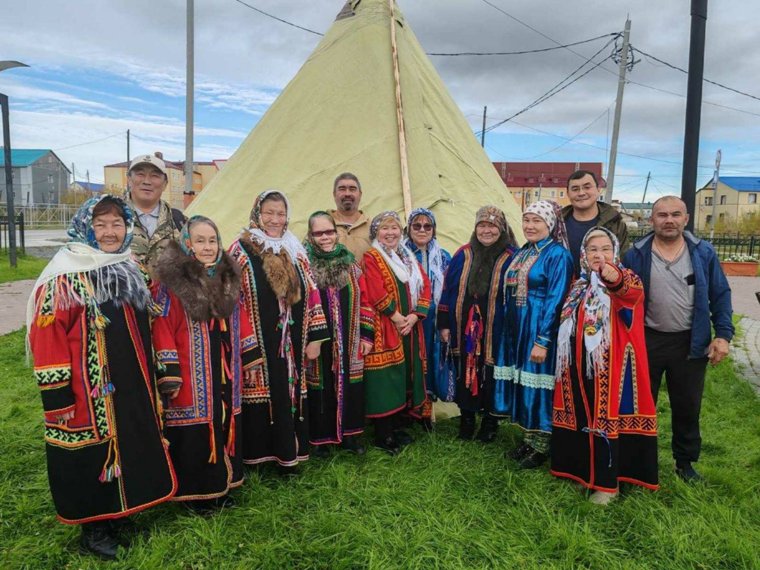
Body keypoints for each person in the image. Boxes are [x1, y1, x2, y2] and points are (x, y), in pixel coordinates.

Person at [27, 195, 176, 559]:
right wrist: (58, 395)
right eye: (101, 224)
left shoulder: (130, 268)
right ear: (85, 227)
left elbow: (152, 321)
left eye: (117, 224)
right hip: (85, 390)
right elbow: (47, 337)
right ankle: (94, 528)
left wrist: (162, 370)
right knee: (89, 453)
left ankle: (120, 509)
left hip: (130, 383)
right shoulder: (63, 277)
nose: (110, 232)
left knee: (126, 441)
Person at [623, 196, 733, 483]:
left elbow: (720, 294)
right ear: (652, 220)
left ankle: (685, 464)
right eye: (662, 215)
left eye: (675, 214)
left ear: (686, 219)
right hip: (647, 341)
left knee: (687, 406)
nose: (668, 220)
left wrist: (722, 335)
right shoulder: (635, 254)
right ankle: (636, 463)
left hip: (690, 342)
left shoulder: (702, 252)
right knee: (639, 404)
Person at [151, 216, 257, 508]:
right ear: (187, 243)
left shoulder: (228, 278)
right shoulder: (172, 283)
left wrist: (249, 358)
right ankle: (197, 493)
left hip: (224, 368)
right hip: (191, 370)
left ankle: (225, 483)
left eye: (212, 240)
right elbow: (162, 326)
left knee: (224, 420)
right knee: (197, 426)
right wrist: (169, 372)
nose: (208, 247)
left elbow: (242, 317)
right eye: (200, 240)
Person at [551, 227, 659, 505]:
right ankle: (582, 473)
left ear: (615, 251)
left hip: (611, 368)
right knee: (582, 416)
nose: (599, 255)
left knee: (604, 417)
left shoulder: (626, 277)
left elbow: (629, 293)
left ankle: (608, 485)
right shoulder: (579, 285)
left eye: (605, 249)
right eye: (592, 250)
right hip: (578, 367)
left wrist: (614, 277)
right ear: (583, 255)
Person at [227, 190, 329, 471]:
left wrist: (316, 337)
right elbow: (234, 302)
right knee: (263, 391)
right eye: (269, 212)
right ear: (257, 213)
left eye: (280, 213)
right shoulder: (241, 250)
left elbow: (313, 294)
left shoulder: (294, 248)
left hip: (294, 341)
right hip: (260, 341)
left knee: (291, 392)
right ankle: (260, 458)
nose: (275, 219)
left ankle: (290, 453)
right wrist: (248, 347)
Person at [494, 200, 573, 468]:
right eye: (527, 220)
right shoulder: (524, 251)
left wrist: (543, 340)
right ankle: (529, 439)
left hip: (540, 326)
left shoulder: (557, 255)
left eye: (536, 221)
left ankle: (543, 445)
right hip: (518, 328)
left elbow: (556, 300)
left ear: (549, 224)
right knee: (524, 384)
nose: (530, 226)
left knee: (540, 384)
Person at [438, 206, 518, 442]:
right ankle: (467, 419)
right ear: (475, 228)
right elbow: (447, 290)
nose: (486, 230)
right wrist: (444, 324)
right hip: (464, 328)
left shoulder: (511, 257)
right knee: (466, 371)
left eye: (492, 226)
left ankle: (490, 422)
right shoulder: (463, 254)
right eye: (482, 225)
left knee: (491, 374)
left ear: (501, 229)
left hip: (497, 329)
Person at [304, 212, 375, 457]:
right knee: (319, 385)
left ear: (336, 232)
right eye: (318, 233)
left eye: (329, 231)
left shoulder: (351, 265)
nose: (325, 237)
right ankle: (321, 439)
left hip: (349, 337)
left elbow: (365, 302)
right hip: (318, 339)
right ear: (311, 235)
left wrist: (366, 336)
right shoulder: (304, 266)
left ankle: (351, 436)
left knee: (352, 383)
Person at [362, 211, 432, 454]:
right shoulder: (372, 257)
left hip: (408, 328)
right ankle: (383, 434)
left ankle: (397, 426)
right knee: (386, 380)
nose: (390, 233)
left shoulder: (406, 256)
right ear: (376, 233)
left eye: (394, 228)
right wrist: (397, 316)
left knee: (403, 377)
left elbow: (425, 285)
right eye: (384, 228)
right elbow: (374, 290)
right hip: (386, 327)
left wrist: (414, 317)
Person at [404, 208, 452, 421]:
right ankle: (406, 413)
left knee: (431, 362)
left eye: (427, 226)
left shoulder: (443, 257)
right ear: (408, 229)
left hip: (433, 323)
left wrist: (444, 323)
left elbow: (449, 292)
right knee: (410, 362)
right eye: (416, 226)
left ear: (434, 230)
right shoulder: (399, 255)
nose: (422, 230)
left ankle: (425, 414)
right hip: (409, 320)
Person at [562, 170, 628, 276]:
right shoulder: (557, 225)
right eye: (575, 189)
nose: (581, 193)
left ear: (598, 190)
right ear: (568, 193)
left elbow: (624, 262)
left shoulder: (615, 224)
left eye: (587, 187)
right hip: (560, 290)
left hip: (605, 288)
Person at [126, 152, 186, 271]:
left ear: (165, 184)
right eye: (140, 174)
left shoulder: (180, 222)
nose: (147, 181)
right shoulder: (109, 217)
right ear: (129, 180)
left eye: (155, 176)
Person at [329, 172, 372, 259]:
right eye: (342, 189)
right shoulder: (322, 225)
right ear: (334, 194)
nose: (347, 194)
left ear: (360, 194)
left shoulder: (373, 226)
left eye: (352, 189)